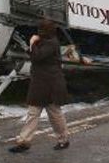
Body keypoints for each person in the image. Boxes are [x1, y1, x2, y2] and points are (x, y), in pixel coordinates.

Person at [10, 19, 69, 153]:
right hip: (44, 83)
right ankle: (24, 141)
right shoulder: (50, 41)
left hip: (49, 84)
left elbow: (37, 56)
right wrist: (32, 45)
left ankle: (62, 139)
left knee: (52, 114)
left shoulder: (51, 43)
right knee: (39, 113)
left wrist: (31, 43)